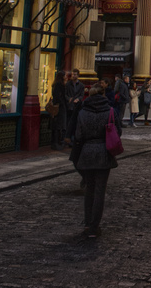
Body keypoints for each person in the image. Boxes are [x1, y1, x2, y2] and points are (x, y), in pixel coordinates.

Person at [72, 83, 121, 238]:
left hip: (87, 152)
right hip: (103, 152)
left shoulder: (83, 112)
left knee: (89, 189)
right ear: (103, 94)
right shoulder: (110, 111)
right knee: (100, 190)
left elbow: (78, 135)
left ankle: (87, 223)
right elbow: (118, 131)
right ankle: (94, 226)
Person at [65, 68, 84, 145]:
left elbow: (81, 95)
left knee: (75, 123)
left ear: (78, 75)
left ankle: (73, 138)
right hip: (69, 106)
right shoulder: (68, 84)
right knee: (68, 122)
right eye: (72, 74)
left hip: (76, 107)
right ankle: (68, 138)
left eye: (75, 74)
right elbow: (65, 94)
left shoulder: (81, 85)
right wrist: (68, 99)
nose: (73, 76)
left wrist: (78, 99)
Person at [50, 69, 68, 150]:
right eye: (65, 76)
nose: (66, 77)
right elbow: (58, 96)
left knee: (57, 126)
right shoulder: (59, 85)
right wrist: (62, 103)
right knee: (58, 126)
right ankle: (56, 143)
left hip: (58, 107)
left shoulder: (57, 84)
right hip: (59, 108)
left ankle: (56, 142)